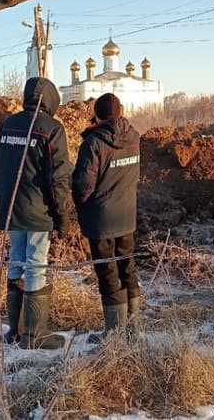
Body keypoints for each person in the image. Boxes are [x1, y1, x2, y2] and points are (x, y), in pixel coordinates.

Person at [0, 76, 72, 349]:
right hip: (38, 212)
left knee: (16, 259)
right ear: (51, 100)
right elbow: (57, 179)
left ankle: (15, 330)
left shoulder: (5, 126)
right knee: (36, 264)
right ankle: (35, 335)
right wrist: (62, 217)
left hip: (11, 209)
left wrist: (3, 201)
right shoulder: (51, 129)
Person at [71, 93, 142, 338]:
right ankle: (132, 328)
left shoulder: (94, 143)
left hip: (101, 219)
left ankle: (114, 333)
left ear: (97, 115)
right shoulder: (134, 137)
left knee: (108, 272)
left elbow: (83, 185)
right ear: (120, 112)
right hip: (127, 215)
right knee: (128, 268)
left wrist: (79, 202)